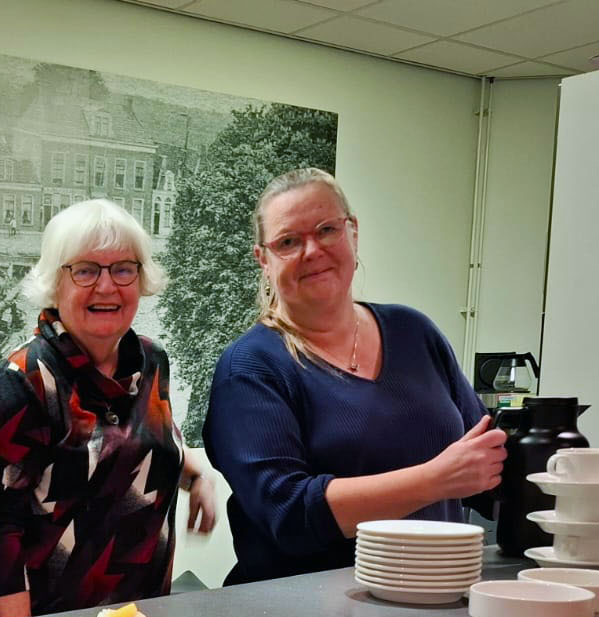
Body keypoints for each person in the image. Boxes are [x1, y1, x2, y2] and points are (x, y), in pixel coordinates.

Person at [204, 168, 503, 583]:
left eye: (327, 230)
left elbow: (486, 469)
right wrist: (436, 480)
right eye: (288, 241)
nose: (312, 251)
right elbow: (289, 513)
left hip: (437, 597)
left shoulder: (414, 332)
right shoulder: (251, 368)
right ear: (265, 261)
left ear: (353, 232)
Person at [0, 198, 216, 617]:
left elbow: (148, 447)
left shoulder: (151, 361)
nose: (106, 287)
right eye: (86, 270)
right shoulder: (26, 379)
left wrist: (197, 476)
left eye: (123, 268)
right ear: (56, 282)